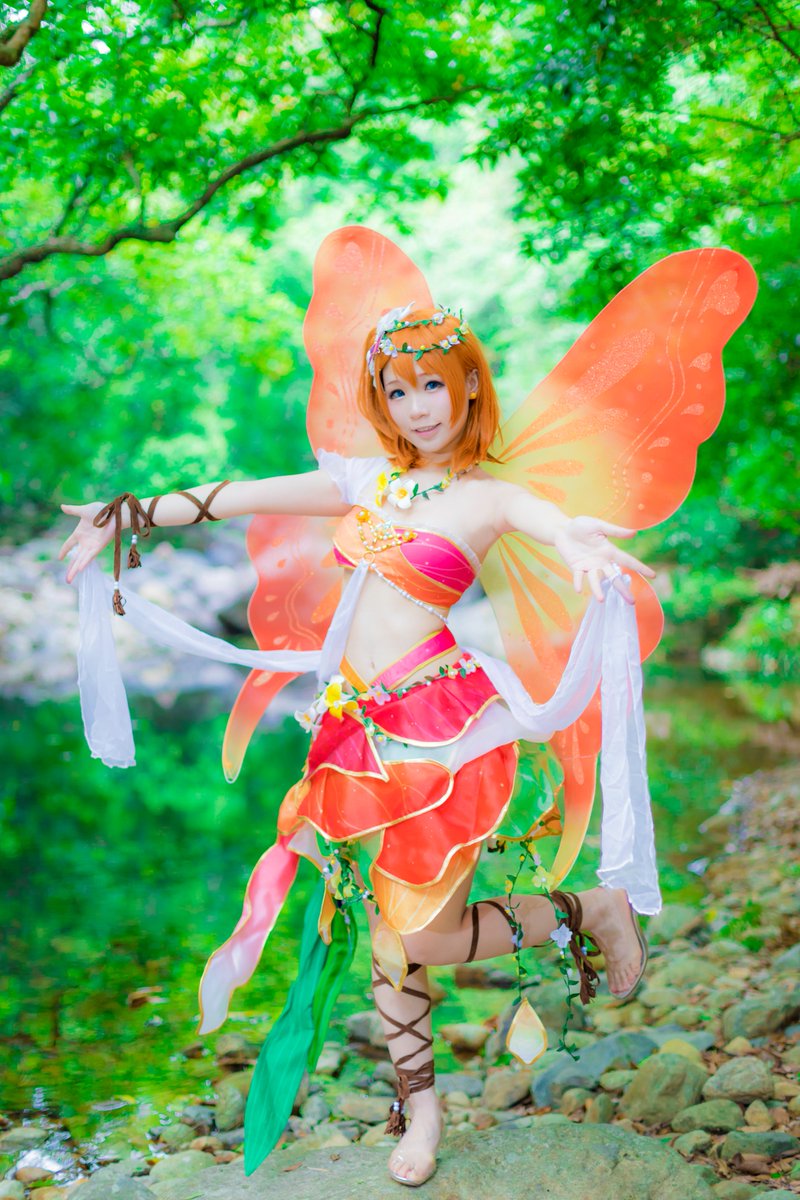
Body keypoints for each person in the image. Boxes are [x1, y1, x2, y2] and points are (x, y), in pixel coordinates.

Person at [58, 227, 757, 1187]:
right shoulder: (364, 481)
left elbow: (550, 523)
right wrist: (125, 514)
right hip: (353, 731)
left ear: (467, 388)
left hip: (442, 728)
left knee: (423, 932)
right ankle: (421, 1110)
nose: (418, 405)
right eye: (397, 390)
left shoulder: (490, 496)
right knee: (385, 933)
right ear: (381, 399)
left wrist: (581, 545)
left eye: (434, 384)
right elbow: (232, 496)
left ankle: (586, 909)